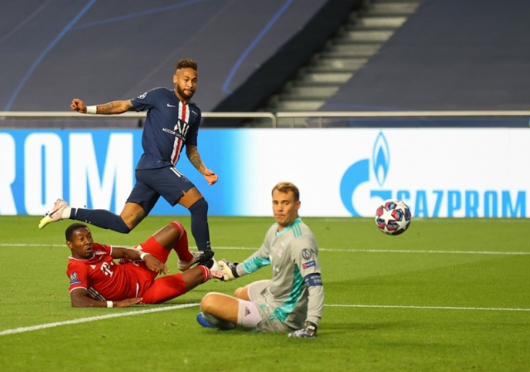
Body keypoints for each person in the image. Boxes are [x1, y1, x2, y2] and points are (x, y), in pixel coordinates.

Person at [39, 58, 217, 270]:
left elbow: (191, 149)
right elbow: (122, 105)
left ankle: (66, 211)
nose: (190, 84)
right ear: (175, 79)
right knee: (199, 205)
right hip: (154, 165)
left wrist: (203, 169)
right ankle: (204, 258)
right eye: (186, 79)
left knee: (124, 224)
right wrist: (88, 109)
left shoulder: (195, 113)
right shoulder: (160, 95)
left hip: (155, 171)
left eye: (194, 81)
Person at [196, 182, 325, 338]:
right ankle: (240, 315)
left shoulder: (300, 241)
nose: (279, 208)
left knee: (209, 302)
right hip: (275, 291)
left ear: (297, 205)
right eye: (276, 202)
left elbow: (315, 283)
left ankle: (233, 322)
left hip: (282, 314)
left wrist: (311, 324)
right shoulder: (275, 229)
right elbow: (261, 257)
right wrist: (235, 271)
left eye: (286, 203)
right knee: (240, 293)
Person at [66, 221, 220, 308]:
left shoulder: (96, 248)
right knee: (203, 271)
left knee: (176, 229)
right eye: (82, 239)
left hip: (136, 266)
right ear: (70, 244)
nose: (88, 241)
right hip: (143, 293)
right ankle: (222, 270)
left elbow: (125, 252)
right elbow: (77, 301)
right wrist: (116, 304)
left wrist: (145, 256)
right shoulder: (77, 268)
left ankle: (186, 260)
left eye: (89, 236)